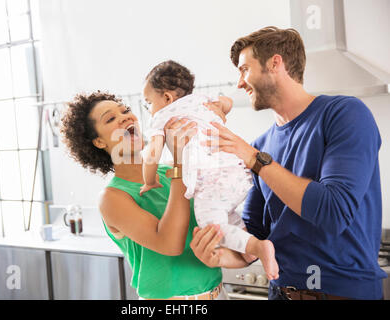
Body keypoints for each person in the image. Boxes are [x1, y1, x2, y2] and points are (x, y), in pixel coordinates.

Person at [191, 26, 387, 300]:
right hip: (281, 293)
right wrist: (222, 256)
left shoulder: (344, 114)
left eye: (244, 69)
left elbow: (334, 211)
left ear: (275, 63)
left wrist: (254, 160)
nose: (239, 83)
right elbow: (255, 236)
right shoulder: (260, 145)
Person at [60, 91, 233, 300]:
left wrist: (210, 121)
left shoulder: (169, 171)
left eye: (125, 111)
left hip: (218, 293)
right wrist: (180, 163)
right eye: (111, 118)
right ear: (99, 142)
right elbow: (170, 244)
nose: (126, 117)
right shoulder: (112, 198)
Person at [141, 60, 279, 280]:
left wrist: (149, 180)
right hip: (239, 172)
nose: (149, 108)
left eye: (148, 102)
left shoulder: (161, 118)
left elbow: (151, 156)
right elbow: (226, 102)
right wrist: (221, 110)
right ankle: (246, 251)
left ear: (166, 98)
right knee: (229, 216)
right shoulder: (201, 101)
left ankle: (259, 247)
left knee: (211, 224)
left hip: (213, 180)